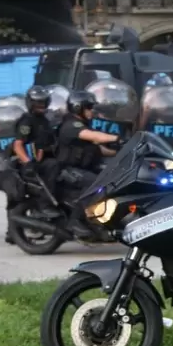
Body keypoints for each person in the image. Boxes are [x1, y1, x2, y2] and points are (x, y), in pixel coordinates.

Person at [55, 91, 121, 237]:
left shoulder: (84, 124)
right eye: (89, 107)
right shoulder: (71, 125)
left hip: (81, 168)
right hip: (68, 169)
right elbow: (94, 136)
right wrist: (118, 138)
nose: (92, 111)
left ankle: (100, 220)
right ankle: (75, 221)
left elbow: (99, 148)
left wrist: (120, 152)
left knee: (110, 179)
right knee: (95, 183)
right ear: (78, 108)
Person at [12, 85, 62, 220]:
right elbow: (18, 145)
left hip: (44, 157)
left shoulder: (45, 120)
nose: (41, 105)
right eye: (38, 102)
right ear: (30, 103)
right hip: (34, 162)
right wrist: (28, 163)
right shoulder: (27, 121)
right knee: (53, 165)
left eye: (43, 102)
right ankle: (44, 205)